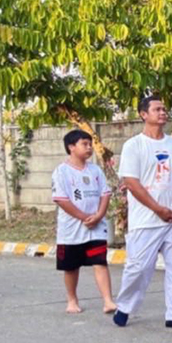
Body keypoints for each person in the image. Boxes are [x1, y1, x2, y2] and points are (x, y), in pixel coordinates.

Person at [112, 95, 172, 329]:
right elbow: (131, 182)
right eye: (157, 109)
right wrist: (158, 209)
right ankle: (125, 307)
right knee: (138, 267)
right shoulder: (134, 145)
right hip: (146, 219)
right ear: (143, 114)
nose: (162, 112)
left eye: (164, 109)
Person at [52, 129, 116, 315]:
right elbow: (61, 199)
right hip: (71, 230)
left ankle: (108, 301)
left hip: (96, 228)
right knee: (71, 267)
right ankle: (72, 300)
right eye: (84, 144)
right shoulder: (61, 171)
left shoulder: (95, 170)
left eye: (90, 144)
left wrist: (99, 215)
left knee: (100, 262)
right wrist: (83, 217)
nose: (89, 148)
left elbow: (105, 194)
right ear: (71, 147)